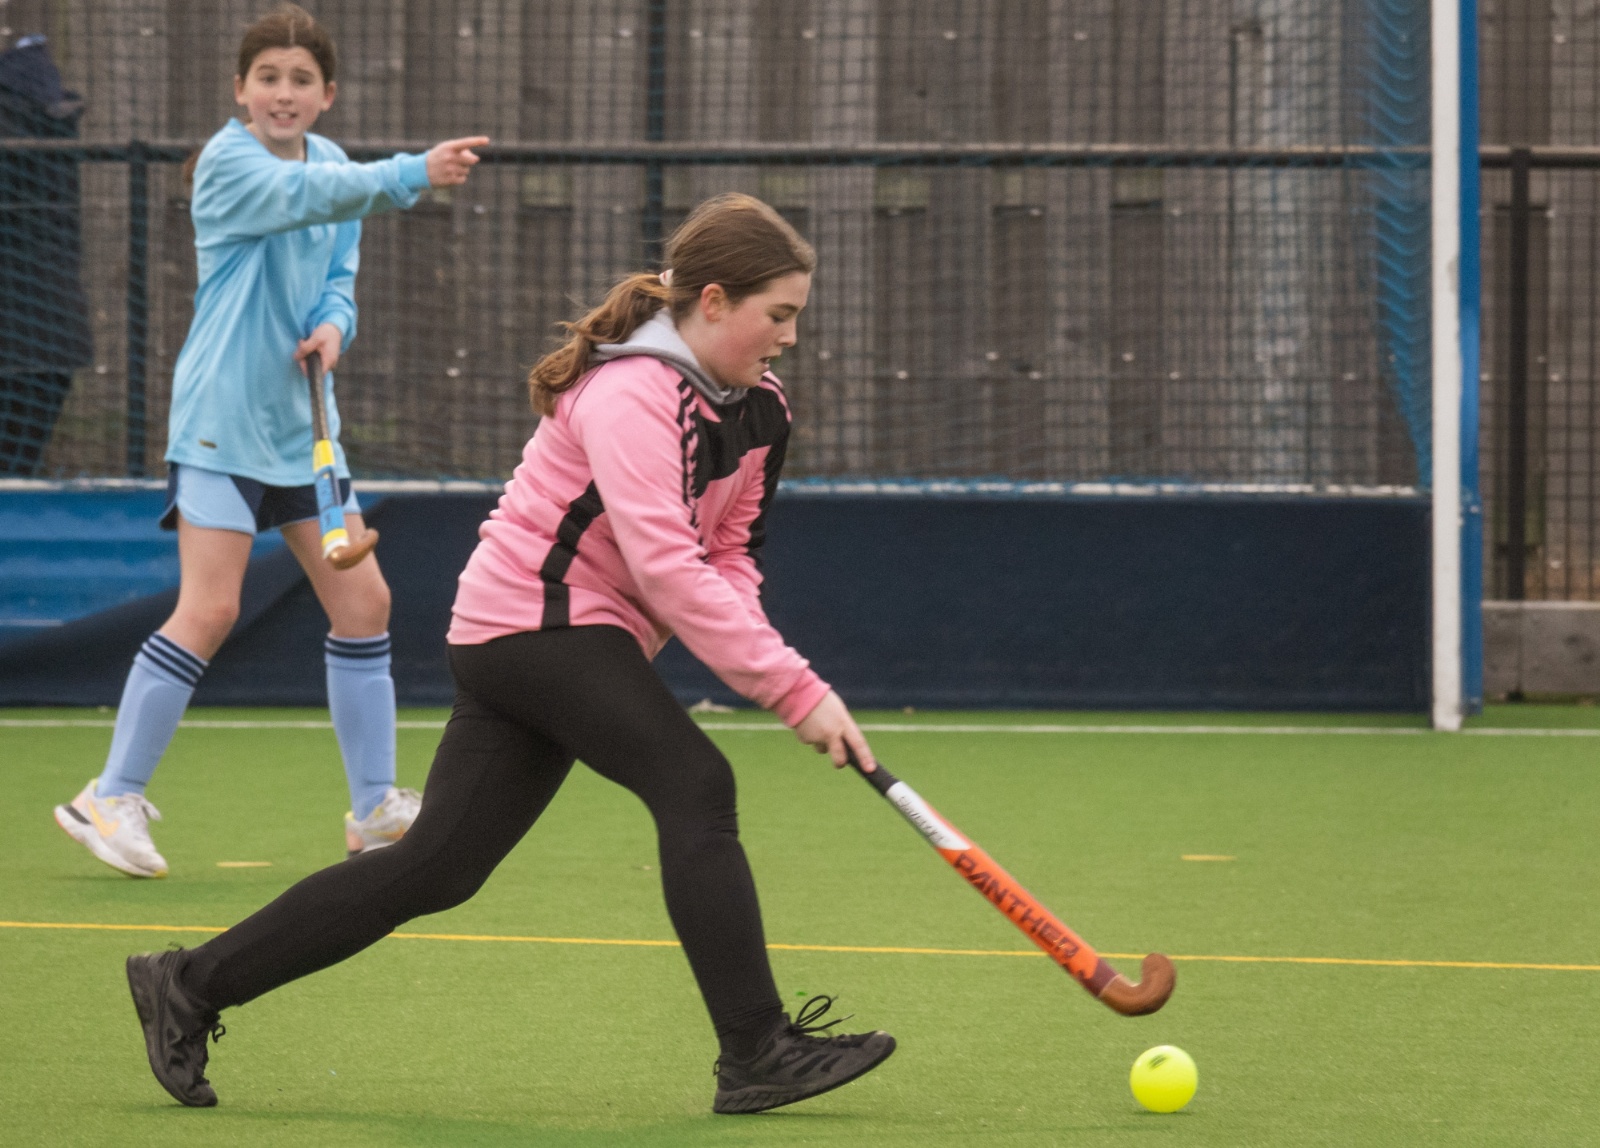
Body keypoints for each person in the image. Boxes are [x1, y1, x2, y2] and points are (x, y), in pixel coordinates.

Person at [125, 192, 898, 1116]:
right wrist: (793, 690)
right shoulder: (631, 394)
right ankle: (757, 1049)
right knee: (696, 785)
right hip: (533, 627)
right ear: (715, 301)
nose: (790, 337)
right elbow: (665, 563)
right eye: (779, 314)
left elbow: (726, 554)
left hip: (567, 636)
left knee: (437, 869)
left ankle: (188, 983)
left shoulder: (761, 409)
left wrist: (776, 669)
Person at [52, 3, 488, 877]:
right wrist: (412, 172)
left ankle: (374, 809)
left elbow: (338, 276)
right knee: (210, 609)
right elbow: (308, 199)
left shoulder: (333, 165)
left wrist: (333, 326)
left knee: (363, 605)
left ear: (327, 95)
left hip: (301, 430)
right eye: (268, 78)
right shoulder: (230, 165)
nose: (283, 93)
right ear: (240, 90)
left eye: (300, 80)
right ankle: (110, 796)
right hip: (220, 423)